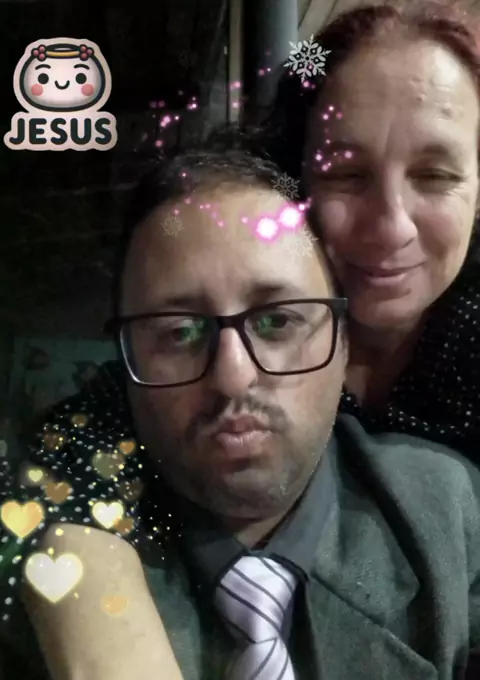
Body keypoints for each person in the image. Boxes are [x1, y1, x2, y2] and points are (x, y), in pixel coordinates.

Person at [0, 135, 480, 680]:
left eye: (277, 321)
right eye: (179, 332)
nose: (232, 377)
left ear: (345, 339)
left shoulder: (454, 517)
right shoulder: (35, 572)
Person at [263, 0, 480, 460]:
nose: (391, 228)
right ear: (293, 179)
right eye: (346, 174)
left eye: (435, 176)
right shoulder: (240, 323)